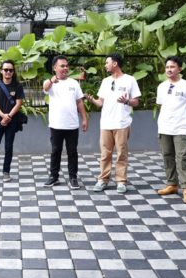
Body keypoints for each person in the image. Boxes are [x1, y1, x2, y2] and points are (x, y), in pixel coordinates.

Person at [85, 53, 141, 194]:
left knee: (122, 153)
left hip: (122, 123)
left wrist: (126, 101)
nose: (105, 65)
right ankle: (103, 180)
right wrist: (92, 100)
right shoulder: (105, 81)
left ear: (115, 64)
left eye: (107, 62)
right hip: (105, 123)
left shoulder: (130, 80)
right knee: (105, 153)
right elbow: (100, 103)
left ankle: (121, 181)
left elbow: (136, 102)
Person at [156, 55, 186, 204]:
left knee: (183, 158)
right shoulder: (161, 86)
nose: (169, 69)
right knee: (167, 156)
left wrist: (184, 115)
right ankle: (172, 184)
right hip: (164, 127)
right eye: (167, 67)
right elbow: (161, 106)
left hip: (181, 128)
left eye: (172, 67)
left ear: (179, 69)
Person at [42, 55, 89, 188]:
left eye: (67, 66)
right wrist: (52, 80)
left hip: (72, 125)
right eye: (62, 66)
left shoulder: (74, 83)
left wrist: (84, 118)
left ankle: (73, 177)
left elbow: (79, 102)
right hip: (56, 124)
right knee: (55, 151)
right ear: (55, 68)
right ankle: (54, 176)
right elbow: (45, 88)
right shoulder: (50, 83)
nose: (65, 68)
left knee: (72, 152)